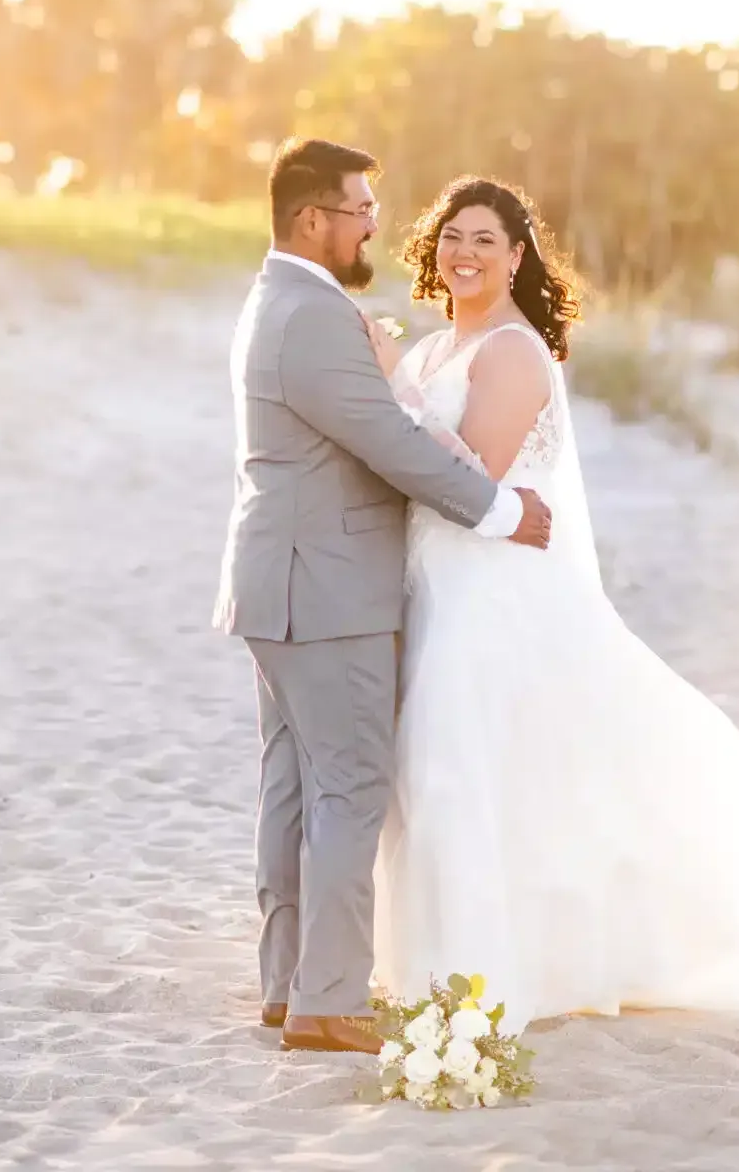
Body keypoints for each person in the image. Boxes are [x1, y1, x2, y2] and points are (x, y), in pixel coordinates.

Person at [369, 176, 739, 1034]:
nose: (463, 252)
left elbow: (474, 479)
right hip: (430, 580)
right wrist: (398, 383)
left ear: (516, 256)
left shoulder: (512, 352)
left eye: (485, 240)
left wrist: (395, 389)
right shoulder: (427, 353)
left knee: (466, 765)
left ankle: (487, 972)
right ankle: (434, 961)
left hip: (492, 589)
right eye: (451, 235)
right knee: (434, 772)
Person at [212, 140, 554, 1055]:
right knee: (352, 785)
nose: (374, 224)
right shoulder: (312, 313)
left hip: (282, 584)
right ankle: (329, 999)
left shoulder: (277, 298)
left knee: (293, 788)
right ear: (313, 219)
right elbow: (388, 445)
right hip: (327, 590)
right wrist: (497, 509)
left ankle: (289, 985)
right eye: (361, 209)